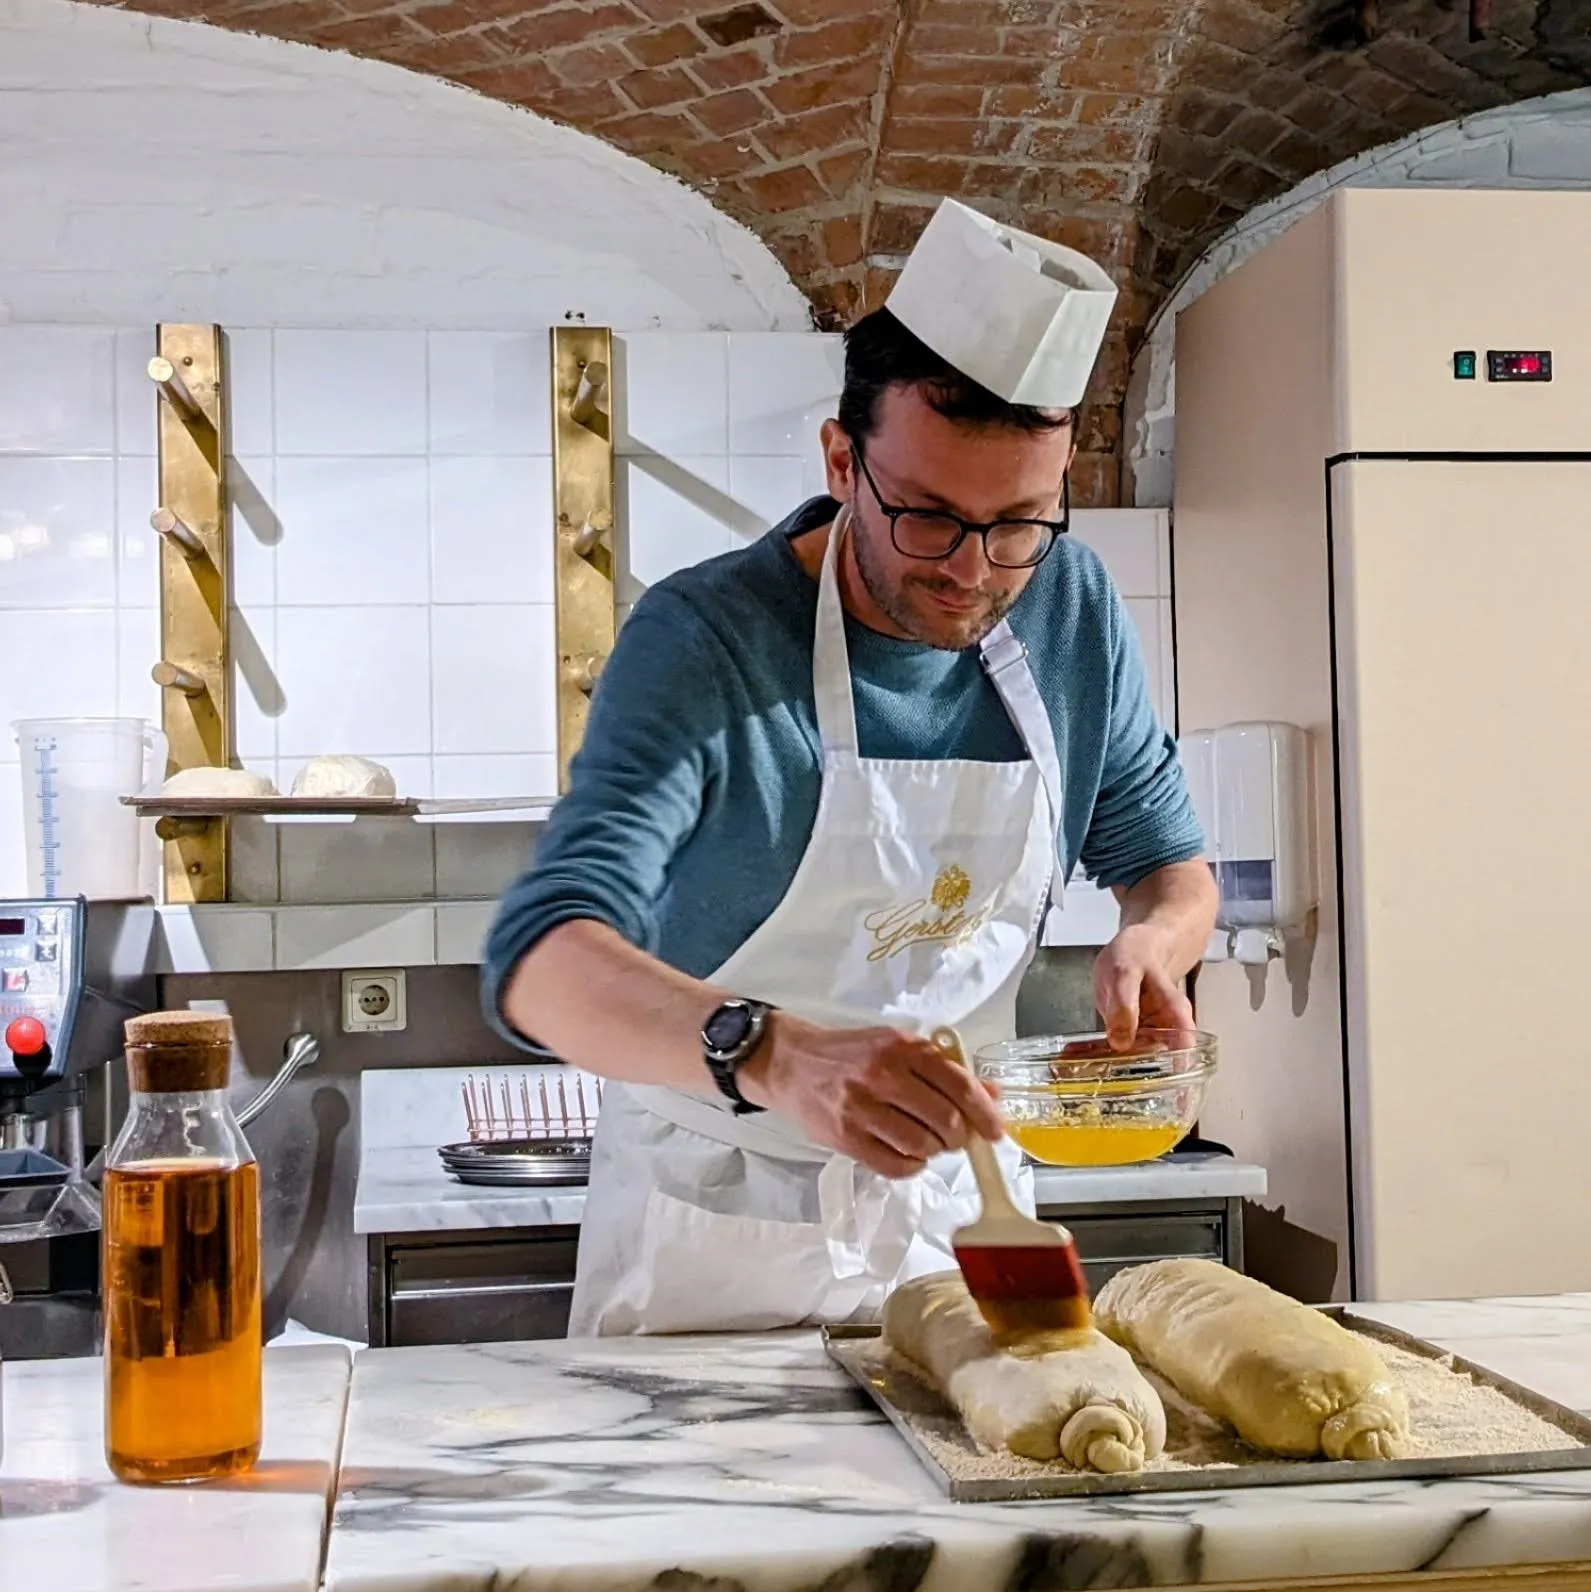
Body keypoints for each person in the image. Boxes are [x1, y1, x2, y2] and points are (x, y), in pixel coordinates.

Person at [483, 197, 1218, 1337]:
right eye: (927, 515)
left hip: (960, 1215)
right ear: (842, 458)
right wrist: (768, 1052)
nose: (973, 571)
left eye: (1019, 521)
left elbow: (1170, 868)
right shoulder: (707, 638)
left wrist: (1156, 946)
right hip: (718, 1224)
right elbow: (542, 964)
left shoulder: (1070, 607)